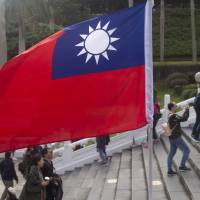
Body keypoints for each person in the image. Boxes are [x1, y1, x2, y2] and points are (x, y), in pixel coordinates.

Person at [167, 102, 191, 176]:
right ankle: (182, 166)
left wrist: (185, 111)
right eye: (175, 105)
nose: (176, 106)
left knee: (171, 153)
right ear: (172, 107)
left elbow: (180, 119)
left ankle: (169, 170)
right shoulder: (173, 116)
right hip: (176, 137)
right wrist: (187, 109)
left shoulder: (170, 115)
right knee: (187, 150)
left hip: (171, 137)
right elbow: (184, 119)